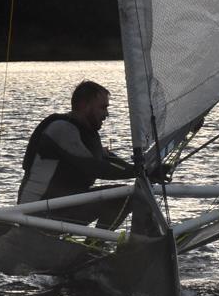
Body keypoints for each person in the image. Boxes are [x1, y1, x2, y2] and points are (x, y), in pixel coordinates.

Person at [17, 80, 138, 227]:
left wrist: (147, 170)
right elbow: (94, 167)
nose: (107, 114)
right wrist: (137, 172)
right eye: (102, 107)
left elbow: (110, 160)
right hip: (36, 213)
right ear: (83, 106)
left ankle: (95, 247)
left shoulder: (87, 133)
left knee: (126, 195)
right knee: (124, 195)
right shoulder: (61, 128)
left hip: (61, 206)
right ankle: (95, 247)